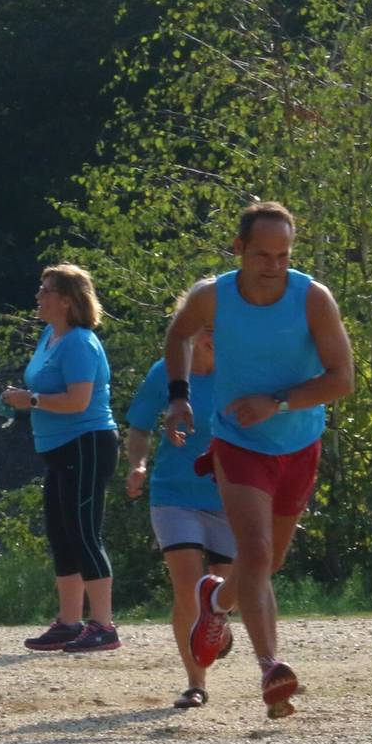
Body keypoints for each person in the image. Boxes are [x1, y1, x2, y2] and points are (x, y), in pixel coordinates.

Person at [161, 202, 353, 718]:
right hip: (238, 442)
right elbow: (178, 334)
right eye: (263, 254)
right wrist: (179, 394)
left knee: (268, 562)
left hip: (298, 441)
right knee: (257, 550)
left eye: (284, 255)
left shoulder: (313, 299)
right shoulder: (213, 297)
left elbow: (342, 380)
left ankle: (217, 604)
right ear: (239, 248)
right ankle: (271, 667)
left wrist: (278, 402)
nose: (274, 265)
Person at [4, 264, 123, 654]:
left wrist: (32, 400)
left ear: (68, 300)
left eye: (47, 290)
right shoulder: (49, 337)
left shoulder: (79, 342)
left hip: (87, 444)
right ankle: (69, 621)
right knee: (62, 533)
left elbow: (78, 400)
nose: (39, 296)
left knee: (85, 532)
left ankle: (103, 625)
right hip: (59, 450)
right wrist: (22, 398)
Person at [124, 291, 233, 708]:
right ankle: (195, 682)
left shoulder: (240, 376)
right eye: (206, 326)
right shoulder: (167, 375)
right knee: (188, 587)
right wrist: (139, 465)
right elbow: (138, 428)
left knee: (224, 589)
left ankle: (217, 624)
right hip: (173, 493)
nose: (213, 335)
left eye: (221, 327)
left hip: (228, 496)